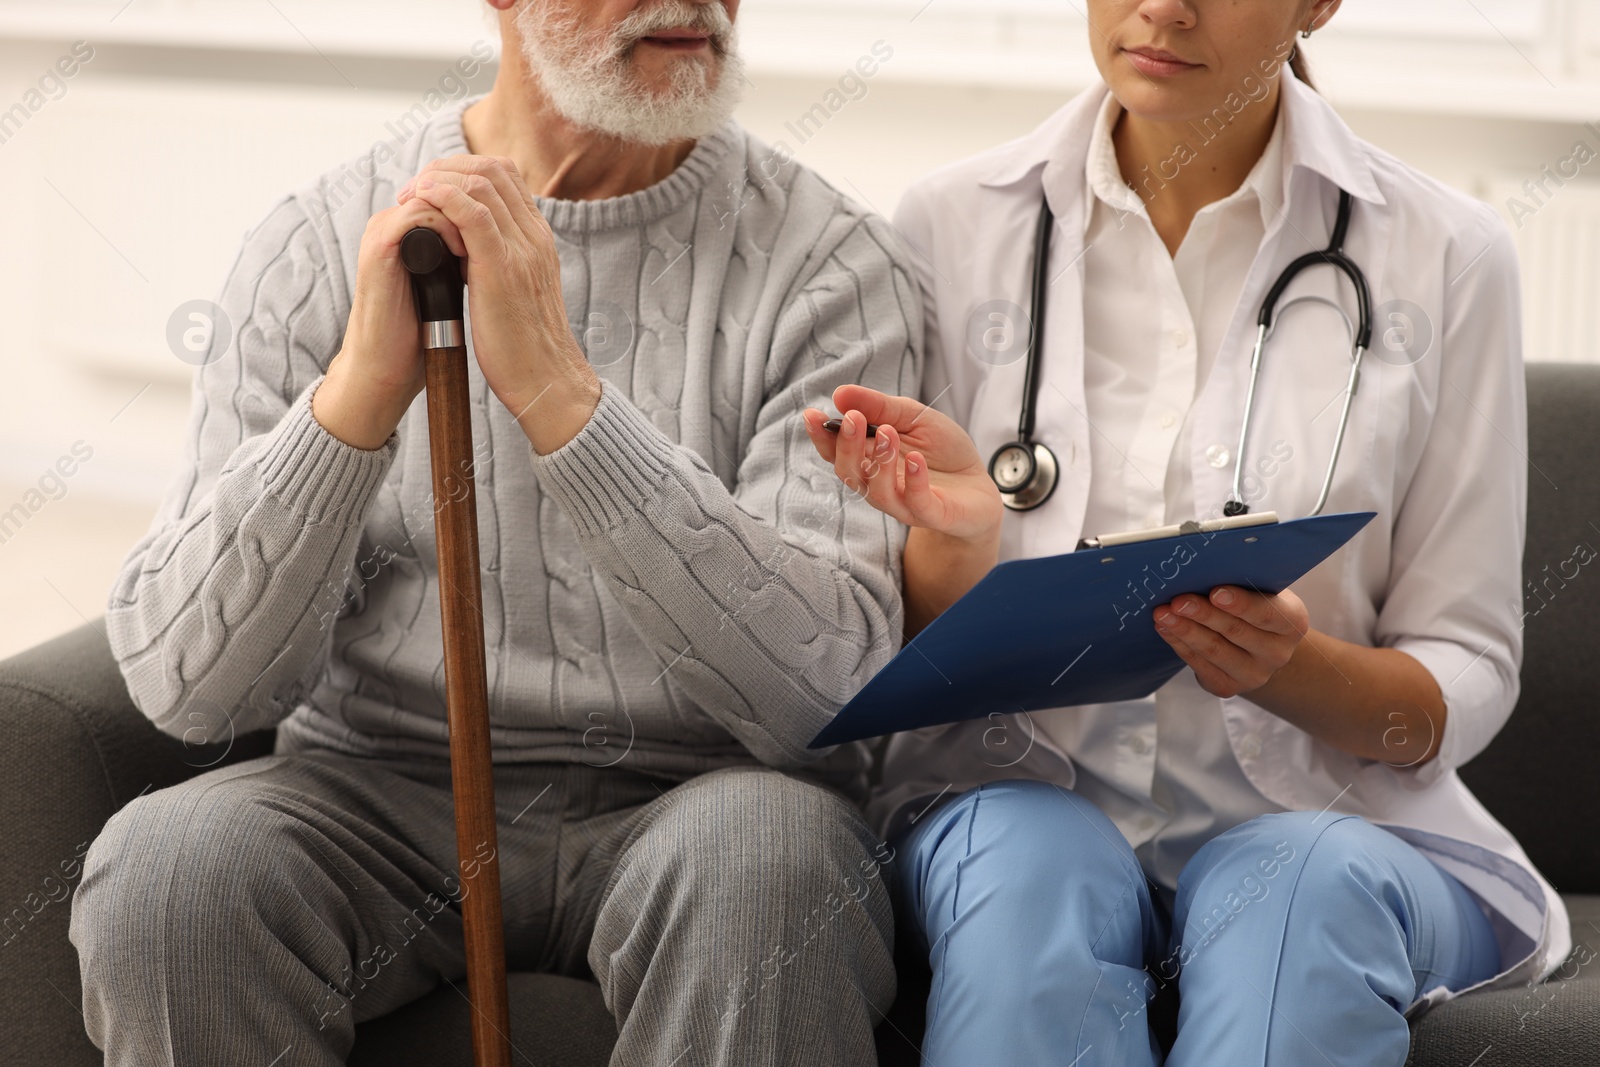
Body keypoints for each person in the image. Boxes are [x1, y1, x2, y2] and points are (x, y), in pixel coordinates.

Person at [68, 2, 920, 1064]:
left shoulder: (838, 268)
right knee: (172, 873)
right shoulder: (316, 245)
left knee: (768, 865)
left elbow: (828, 696)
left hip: (701, 797)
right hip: (373, 788)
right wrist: (356, 400)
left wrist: (564, 399)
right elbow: (191, 688)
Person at [802, 1, 1570, 1064]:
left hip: (1339, 835)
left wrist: (1288, 667)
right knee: (1027, 866)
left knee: (1293, 890)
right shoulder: (947, 226)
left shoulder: (1448, 255)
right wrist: (956, 538)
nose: (1163, 6)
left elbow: (1467, 664)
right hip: (1022, 806)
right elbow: (903, 631)